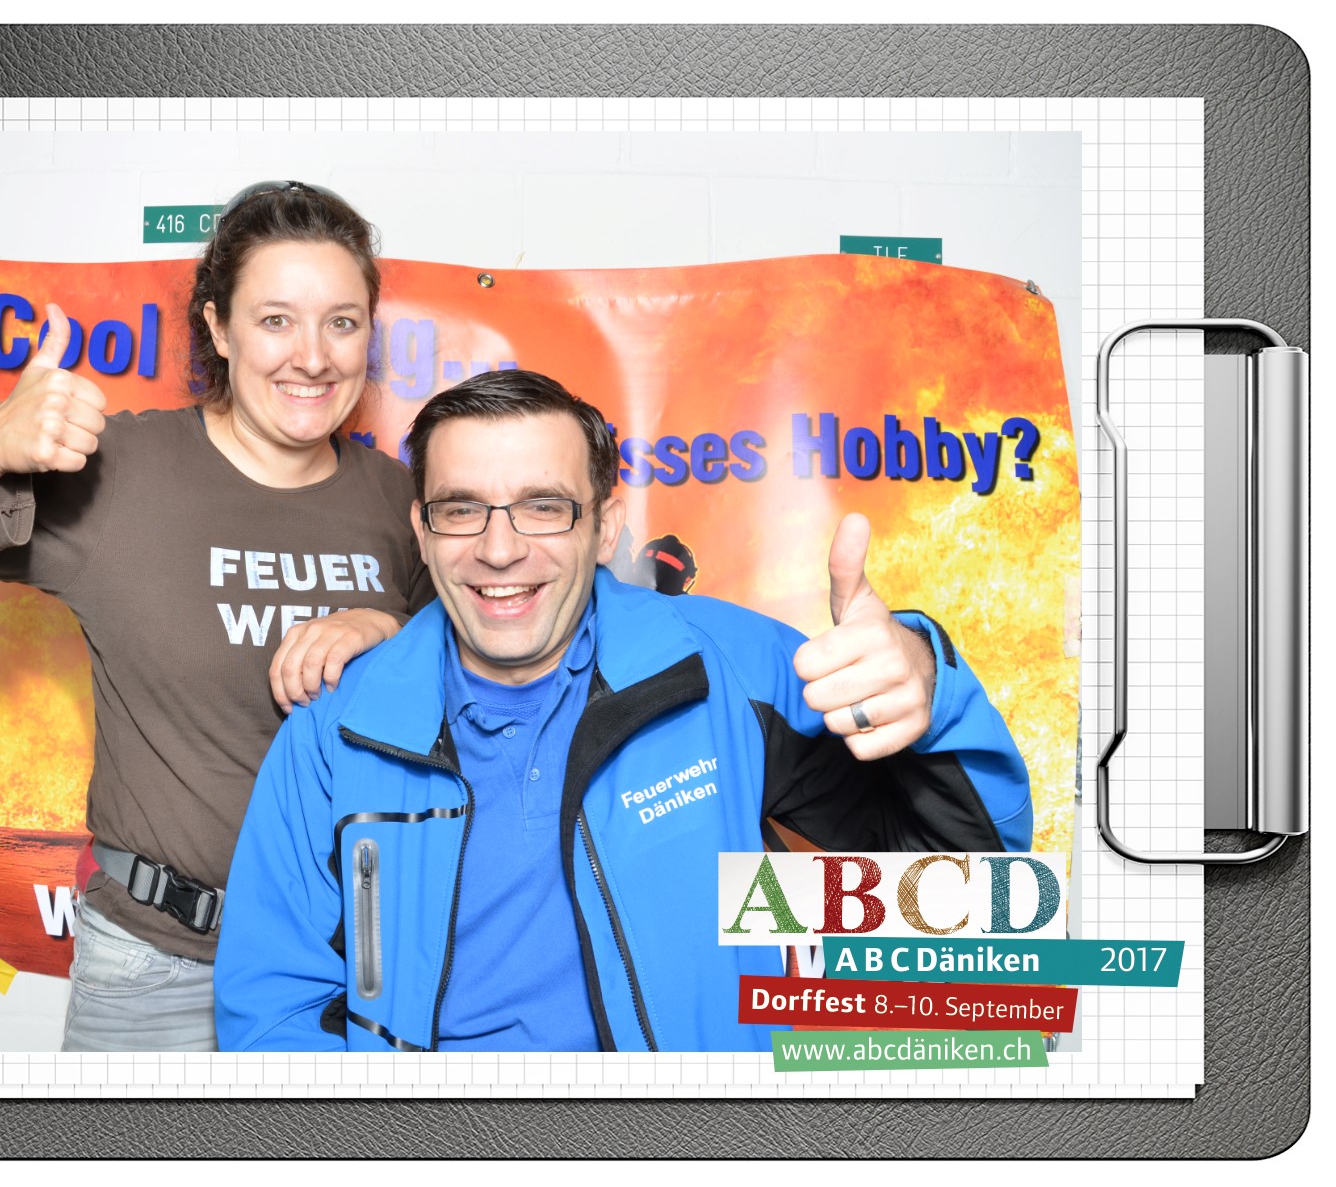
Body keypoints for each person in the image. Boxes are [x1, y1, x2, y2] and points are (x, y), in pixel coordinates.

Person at [214, 370, 1032, 1053]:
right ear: (422, 533)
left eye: (544, 506)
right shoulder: (334, 732)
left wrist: (931, 691)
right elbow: (272, 1016)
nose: (499, 549)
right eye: (461, 509)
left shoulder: (729, 670)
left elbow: (973, 896)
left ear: (606, 528)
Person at [0, 182, 432, 1052]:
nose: (312, 356)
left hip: (351, 967)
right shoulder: (119, 472)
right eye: (275, 321)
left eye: (342, 322)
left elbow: (485, 693)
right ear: (218, 327)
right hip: (160, 972)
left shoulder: (400, 499)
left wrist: (391, 634)